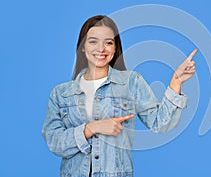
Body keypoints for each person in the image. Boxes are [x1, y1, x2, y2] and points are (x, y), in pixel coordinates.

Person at [42, 15, 197, 177]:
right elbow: (54, 141)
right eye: (93, 41)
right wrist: (91, 128)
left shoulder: (131, 82)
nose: (101, 49)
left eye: (108, 42)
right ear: (83, 46)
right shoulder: (61, 93)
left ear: (115, 48)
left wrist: (176, 83)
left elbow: (159, 123)